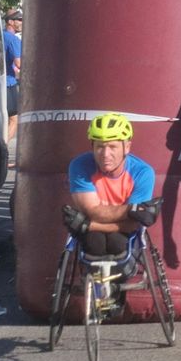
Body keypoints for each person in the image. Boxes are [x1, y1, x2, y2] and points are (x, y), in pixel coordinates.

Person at [62, 113, 157, 308]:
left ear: (127, 147)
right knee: (93, 240)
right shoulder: (80, 166)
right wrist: (128, 210)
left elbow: (133, 223)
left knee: (116, 240)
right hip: (93, 232)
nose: (105, 154)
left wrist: (89, 224)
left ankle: (115, 290)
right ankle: (98, 294)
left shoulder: (142, 172)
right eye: (100, 147)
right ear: (92, 147)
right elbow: (92, 210)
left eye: (112, 146)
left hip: (120, 234)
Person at [3, 8, 23, 146]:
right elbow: (19, 63)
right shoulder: (13, 40)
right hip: (9, 83)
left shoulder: (0, 35)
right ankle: (3, 148)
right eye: (19, 20)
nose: (22, 22)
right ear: (10, 22)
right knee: (14, 119)